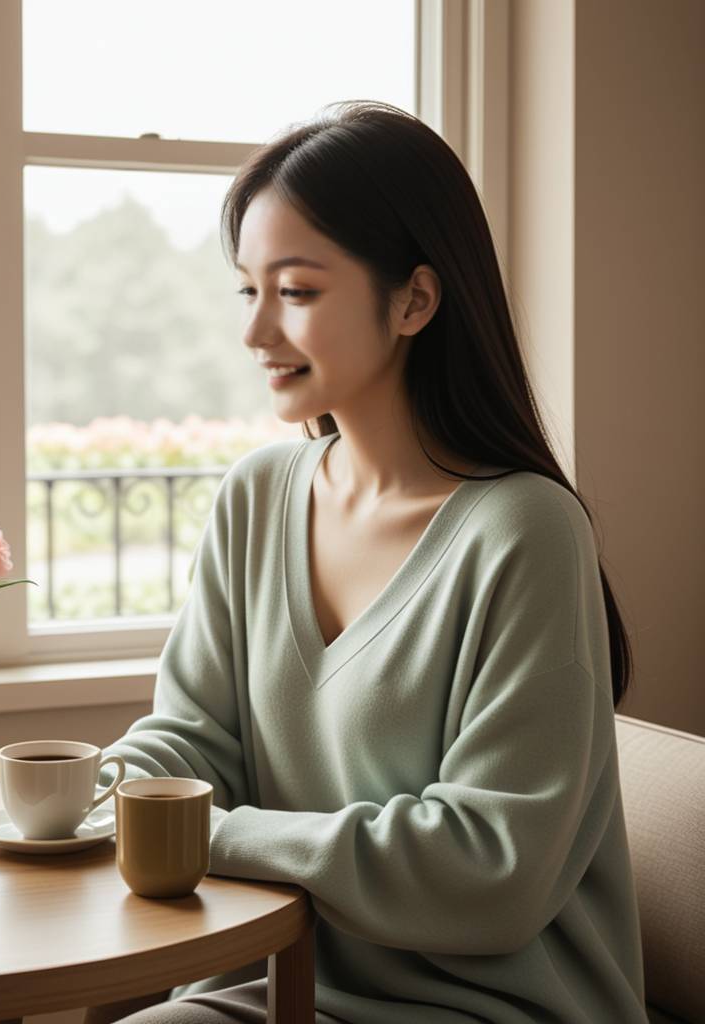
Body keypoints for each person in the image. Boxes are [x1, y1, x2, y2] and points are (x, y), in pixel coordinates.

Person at [86, 101, 649, 1024]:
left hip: (488, 1007)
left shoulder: (526, 532)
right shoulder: (256, 496)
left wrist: (210, 837)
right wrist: (99, 794)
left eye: (297, 293)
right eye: (248, 291)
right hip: (272, 983)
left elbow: (492, 868)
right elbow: (193, 740)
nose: (256, 333)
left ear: (414, 301)